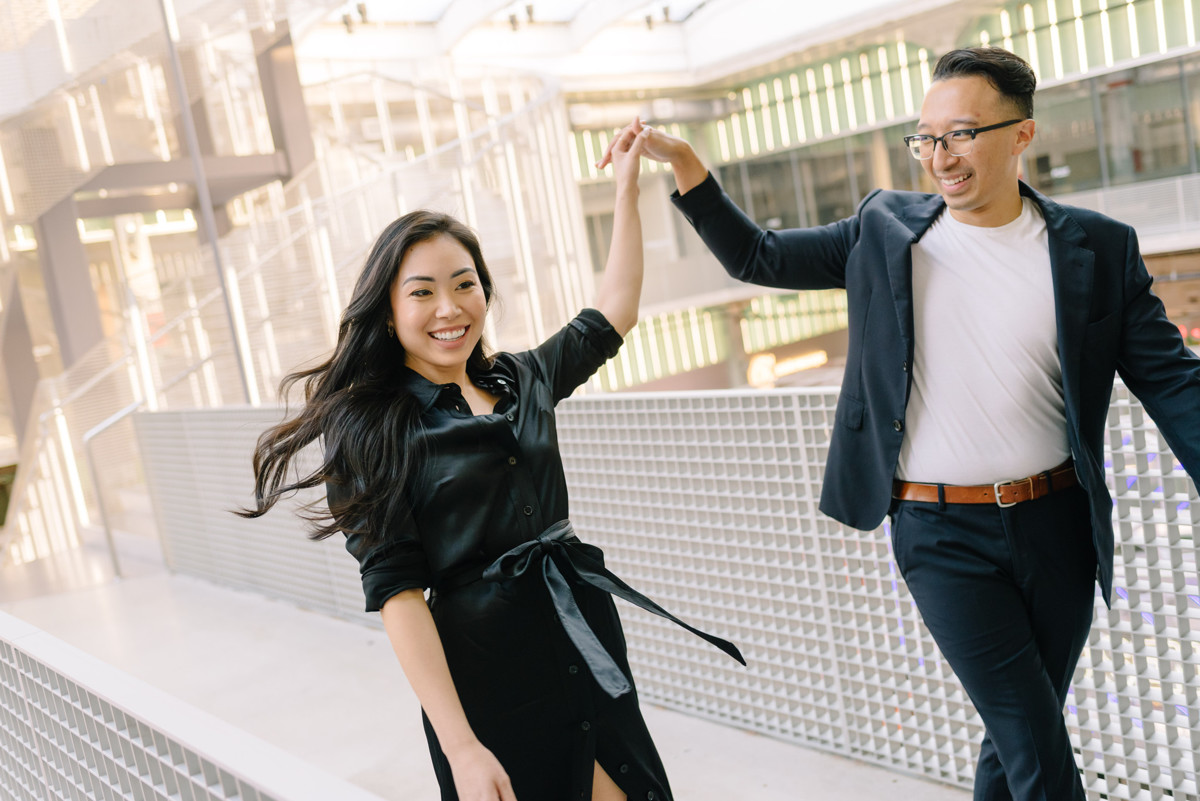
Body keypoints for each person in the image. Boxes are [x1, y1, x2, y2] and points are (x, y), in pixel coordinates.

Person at [598, 47, 1200, 801]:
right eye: (927, 137)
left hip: (1058, 528)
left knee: (1017, 733)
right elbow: (759, 257)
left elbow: (1173, 378)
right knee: (1036, 746)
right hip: (940, 533)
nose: (939, 157)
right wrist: (687, 166)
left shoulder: (1096, 248)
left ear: (1021, 135)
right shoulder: (886, 228)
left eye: (960, 134)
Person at [241, 120, 743, 801]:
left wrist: (628, 186)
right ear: (388, 312)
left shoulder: (522, 378)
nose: (448, 308)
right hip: (489, 682)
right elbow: (398, 594)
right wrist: (461, 746)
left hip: (583, 637)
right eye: (421, 291)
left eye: (464, 284)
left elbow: (615, 310)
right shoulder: (372, 428)